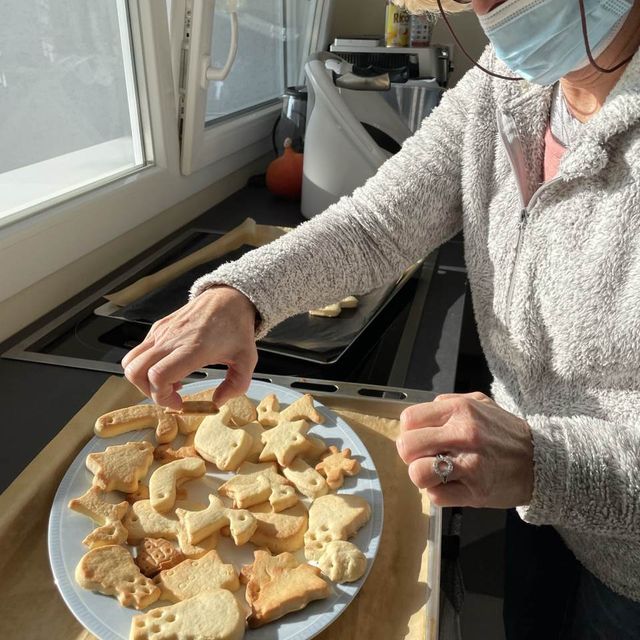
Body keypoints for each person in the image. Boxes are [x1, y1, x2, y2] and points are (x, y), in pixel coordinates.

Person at [123, 0, 640, 637]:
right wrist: (241, 294)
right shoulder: (504, 85)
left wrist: (550, 465)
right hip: (527, 499)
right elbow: (377, 226)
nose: (484, 12)